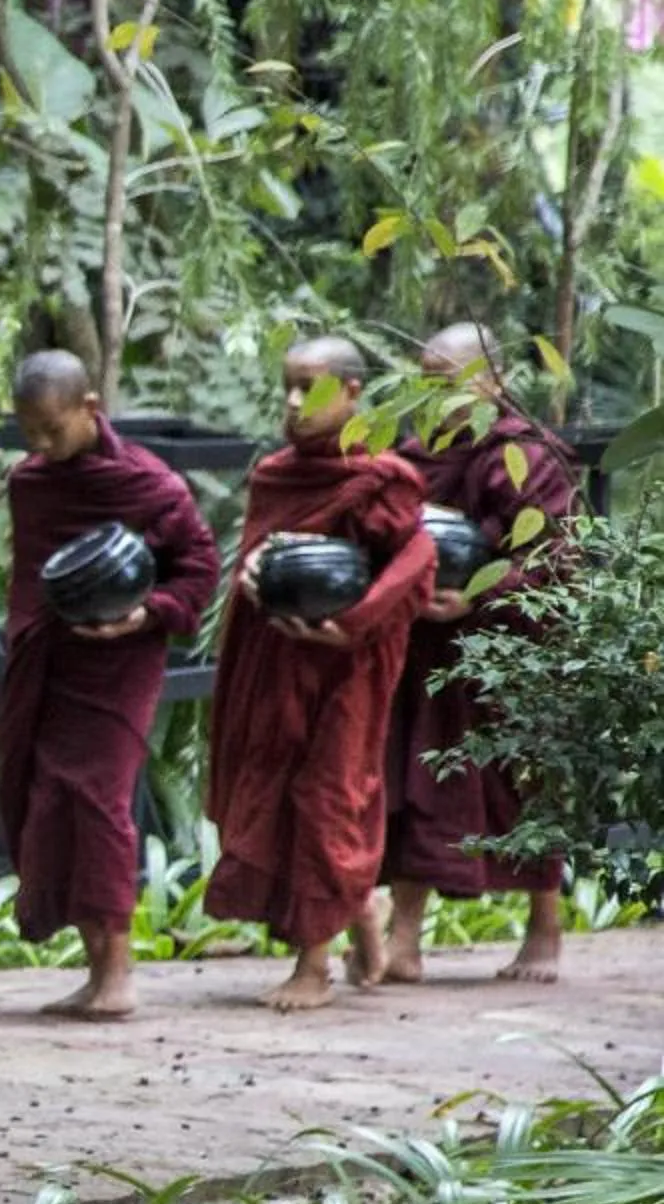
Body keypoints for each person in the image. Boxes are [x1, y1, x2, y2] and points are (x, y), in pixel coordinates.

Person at [209, 335, 435, 1012]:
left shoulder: (382, 477)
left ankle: (314, 964)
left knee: (328, 794)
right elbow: (258, 554)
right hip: (274, 657)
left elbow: (416, 560)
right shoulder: (278, 474)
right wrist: (252, 575)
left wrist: (355, 619)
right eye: (287, 386)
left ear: (354, 394)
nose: (293, 402)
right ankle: (354, 911)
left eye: (310, 388)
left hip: (345, 667)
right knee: (272, 789)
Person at [0, 351, 221, 1022]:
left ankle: (118, 972)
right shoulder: (34, 483)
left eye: (52, 429)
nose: (40, 446)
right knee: (48, 800)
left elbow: (199, 568)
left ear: (91, 409)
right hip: (50, 661)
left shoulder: (148, 485)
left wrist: (145, 613)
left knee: (95, 801)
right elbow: (34, 576)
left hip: (120, 667)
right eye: (28, 430)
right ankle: (96, 970)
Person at [381, 323, 580, 985]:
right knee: (417, 778)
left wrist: (477, 597)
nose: (438, 399)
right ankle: (402, 934)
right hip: (428, 648)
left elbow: (552, 555)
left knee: (519, 782)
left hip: (503, 646)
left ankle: (544, 927)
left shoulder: (523, 454)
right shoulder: (414, 455)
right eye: (427, 384)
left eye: (450, 383)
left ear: (492, 381)